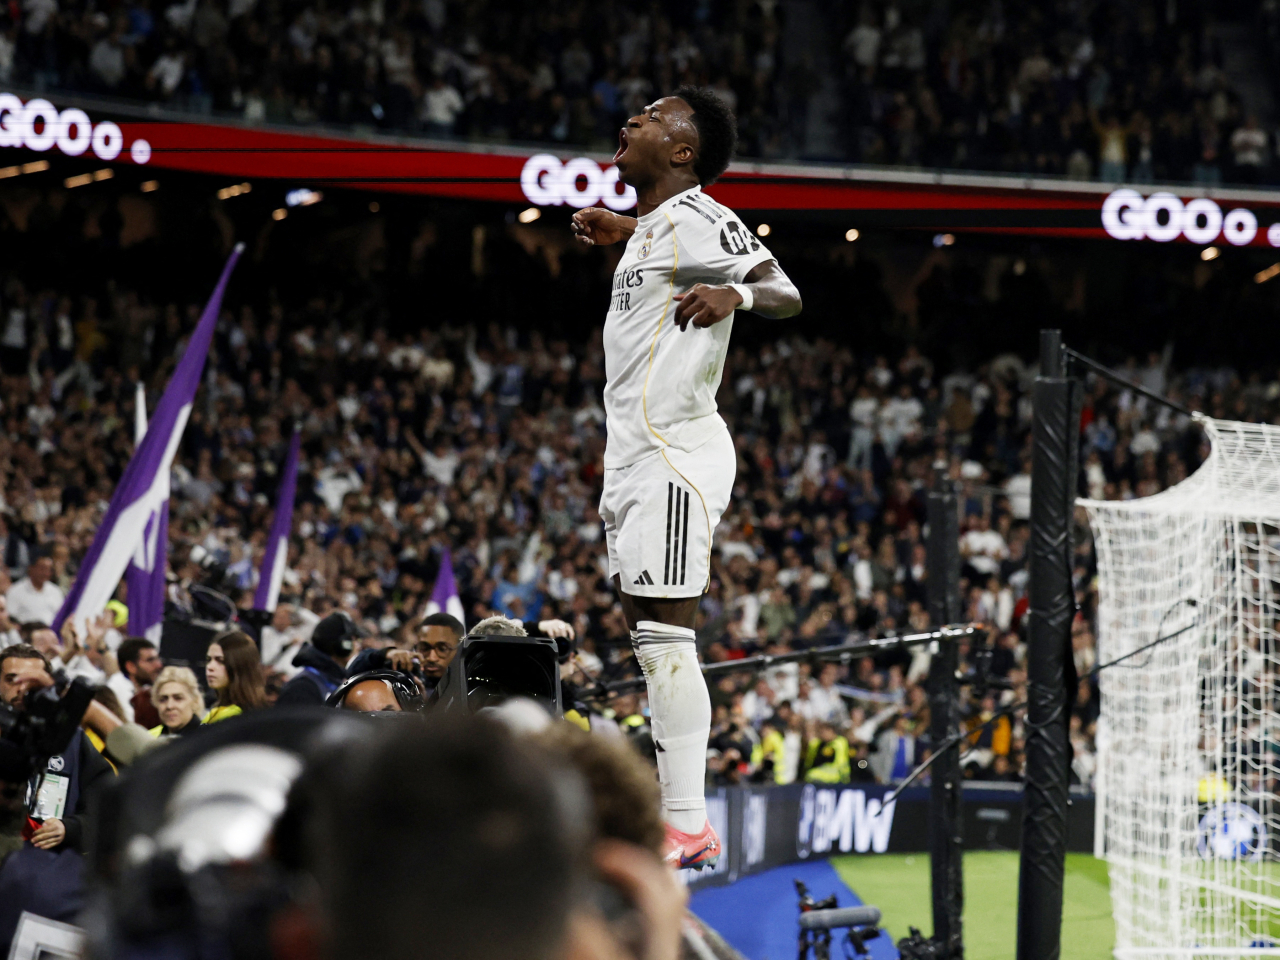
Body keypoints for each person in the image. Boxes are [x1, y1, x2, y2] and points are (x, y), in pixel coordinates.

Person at [571, 86, 801, 869]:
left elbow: (785, 290)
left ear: (681, 152)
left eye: (653, 117)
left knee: (669, 638)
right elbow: (665, 240)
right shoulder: (659, 225)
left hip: (673, 451)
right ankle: (680, 820)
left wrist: (737, 291)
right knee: (650, 638)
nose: (632, 118)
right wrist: (626, 228)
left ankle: (687, 824)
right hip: (632, 456)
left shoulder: (702, 211)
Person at [0, 644, 114, 852]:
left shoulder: (72, 739)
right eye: (12, 679)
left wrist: (70, 828)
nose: (21, 689)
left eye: (32, 682)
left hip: (49, 863)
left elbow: (108, 807)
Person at [276, 612, 358, 705]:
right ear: (343, 645)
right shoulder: (303, 688)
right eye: (353, 640)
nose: (357, 646)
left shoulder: (331, 681)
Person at [204, 630, 266, 722]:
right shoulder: (215, 709)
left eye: (220, 661)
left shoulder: (245, 717)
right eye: (209, 660)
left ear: (240, 665)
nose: (210, 667)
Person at [110, 637, 163, 727]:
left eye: (157, 659)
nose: (159, 665)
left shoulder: (151, 688)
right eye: (150, 660)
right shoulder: (115, 690)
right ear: (131, 667)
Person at [5, 549, 65, 626]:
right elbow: (10, 618)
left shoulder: (56, 591)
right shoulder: (15, 591)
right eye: (42, 569)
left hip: (50, 630)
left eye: (49, 570)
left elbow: (61, 617)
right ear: (31, 568)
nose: (46, 573)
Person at [149, 666, 203, 737]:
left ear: (195, 701)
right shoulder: (149, 738)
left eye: (178, 698)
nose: (169, 706)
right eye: (163, 699)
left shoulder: (209, 738)